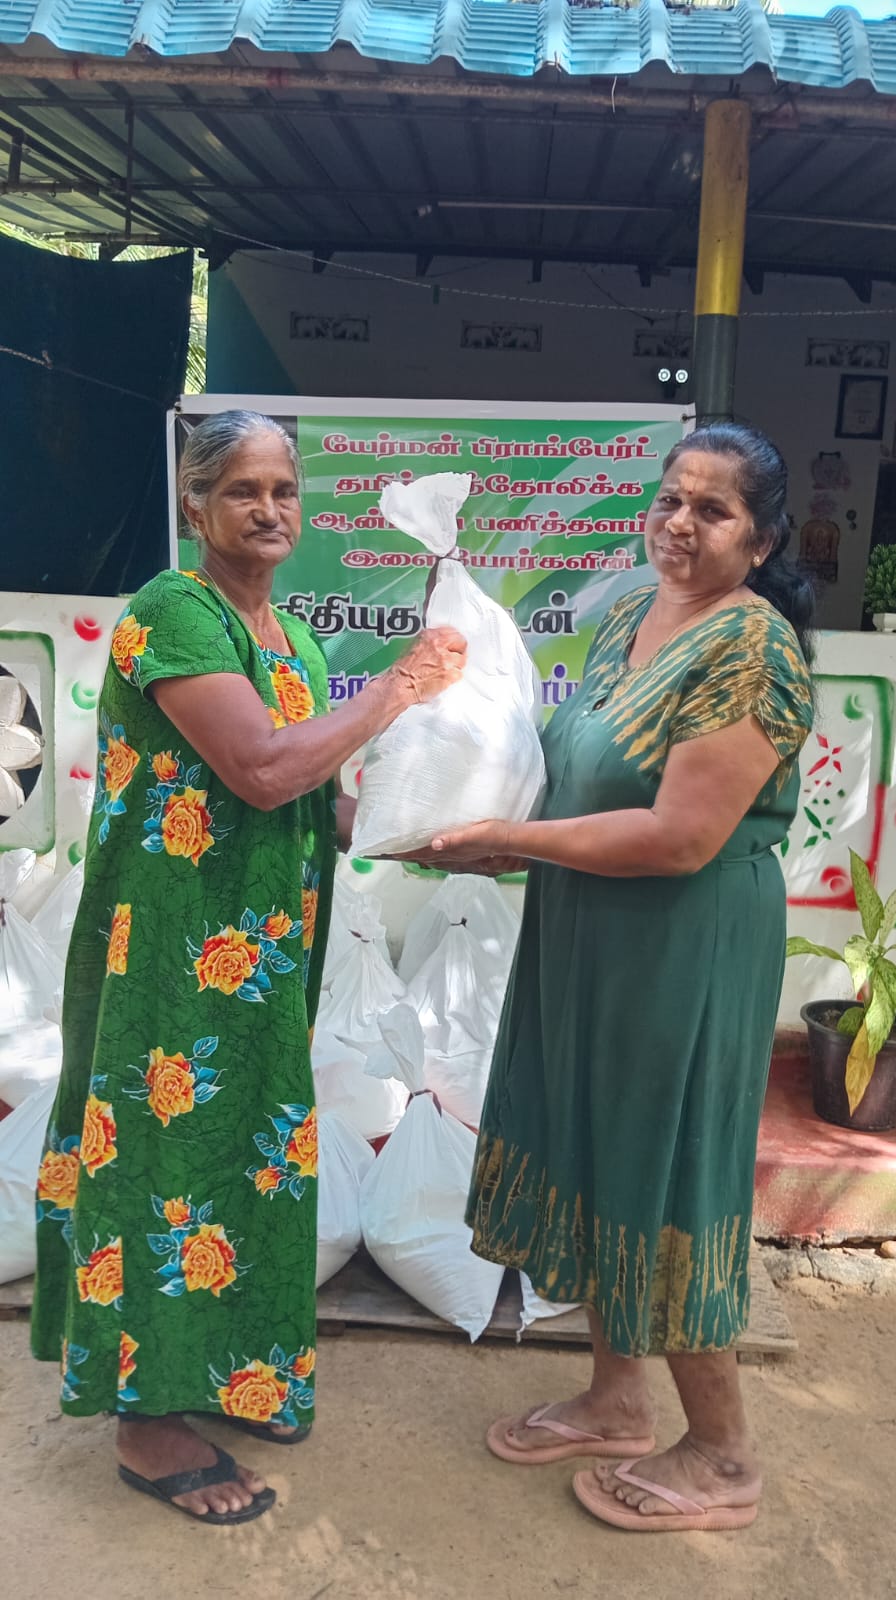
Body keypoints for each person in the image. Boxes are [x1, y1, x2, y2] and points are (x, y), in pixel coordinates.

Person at [31, 410, 465, 1525]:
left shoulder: (295, 643)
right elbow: (263, 769)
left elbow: (313, 798)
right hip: (171, 950)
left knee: (253, 1159)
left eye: (284, 489)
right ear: (195, 505)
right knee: (161, 1159)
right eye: (242, 490)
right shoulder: (174, 613)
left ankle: (235, 1370)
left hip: (262, 958)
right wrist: (399, 687)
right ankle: (146, 1420)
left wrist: (443, 825)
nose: (270, 509)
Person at [428, 423, 814, 1534]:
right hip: (589, 926)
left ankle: (724, 1455)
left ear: (762, 539)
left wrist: (515, 839)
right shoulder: (628, 616)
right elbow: (580, 786)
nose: (681, 524)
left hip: (682, 944)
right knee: (597, 1144)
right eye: (670, 500)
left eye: (714, 510)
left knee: (666, 1161)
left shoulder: (753, 649)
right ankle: (616, 1398)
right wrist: (492, 836)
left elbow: (680, 837)